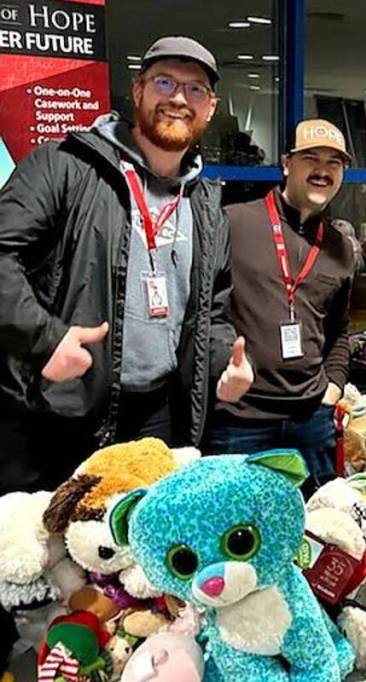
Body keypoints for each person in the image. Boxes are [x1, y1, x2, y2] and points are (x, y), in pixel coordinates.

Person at [0, 36, 252, 495]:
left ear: (211, 108)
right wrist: (43, 339)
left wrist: (222, 369)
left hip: (159, 416)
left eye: (195, 89)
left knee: (138, 551)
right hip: (60, 409)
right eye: (165, 82)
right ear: (137, 92)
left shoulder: (206, 202)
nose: (178, 98)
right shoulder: (65, 167)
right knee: (53, 553)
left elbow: (210, 312)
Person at [208, 119, 355, 495]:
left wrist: (333, 387)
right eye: (312, 158)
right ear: (287, 163)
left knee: (311, 536)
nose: (323, 170)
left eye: (334, 163)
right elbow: (206, 311)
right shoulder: (234, 222)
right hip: (241, 420)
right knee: (234, 536)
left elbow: (339, 329)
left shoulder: (340, 246)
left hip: (312, 419)